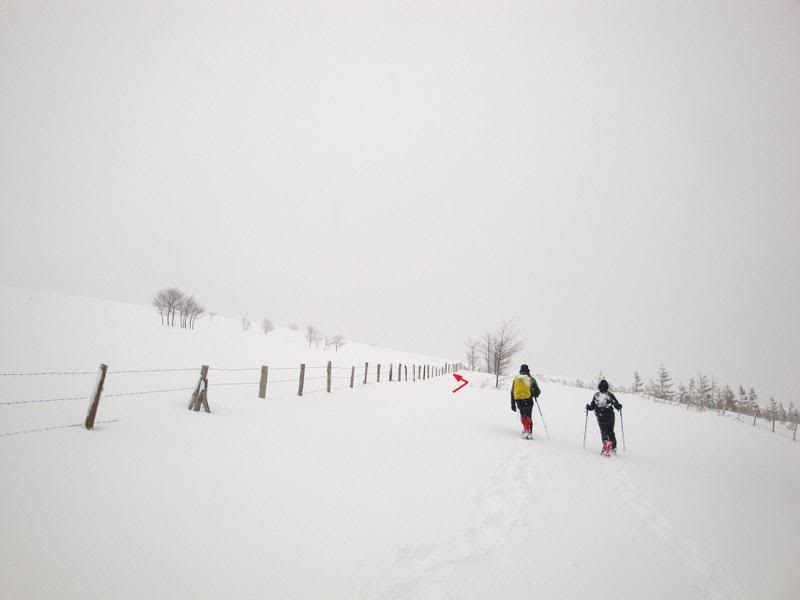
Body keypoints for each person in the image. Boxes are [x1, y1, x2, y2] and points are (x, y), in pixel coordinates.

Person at [586, 379, 622, 455]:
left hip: (600, 416)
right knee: (611, 431)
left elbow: (592, 407)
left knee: (604, 432)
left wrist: (588, 407)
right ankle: (613, 447)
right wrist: (619, 406)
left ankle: (606, 446)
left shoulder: (596, 395)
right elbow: (616, 405)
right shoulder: (610, 395)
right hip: (610, 416)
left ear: (599, 387)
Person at [510, 364, 541, 439]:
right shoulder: (531, 379)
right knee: (528, 415)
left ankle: (526, 430)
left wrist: (513, 404)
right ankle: (529, 432)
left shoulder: (516, 379)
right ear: (528, 370)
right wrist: (533, 393)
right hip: (528, 400)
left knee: (523, 415)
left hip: (519, 400)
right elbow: (538, 392)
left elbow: (512, 391)